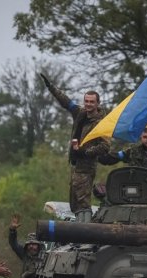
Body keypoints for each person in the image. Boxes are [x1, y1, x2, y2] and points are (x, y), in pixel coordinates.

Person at [40, 73, 109, 223]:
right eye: (86, 101)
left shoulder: (101, 123)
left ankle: (85, 233)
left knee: (83, 203)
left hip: (87, 167)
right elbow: (66, 102)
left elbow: (105, 147)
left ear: (97, 103)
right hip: (76, 166)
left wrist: (83, 151)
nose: (88, 104)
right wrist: (51, 87)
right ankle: (80, 229)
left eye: (92, 102)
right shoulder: (80, 113)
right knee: (75, 203)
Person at [99, 127, 147, 200]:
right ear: (141, 137)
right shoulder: (132, 152)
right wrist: (99, 153)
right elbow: (113, 158)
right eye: (145, 137)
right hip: (135, 193)